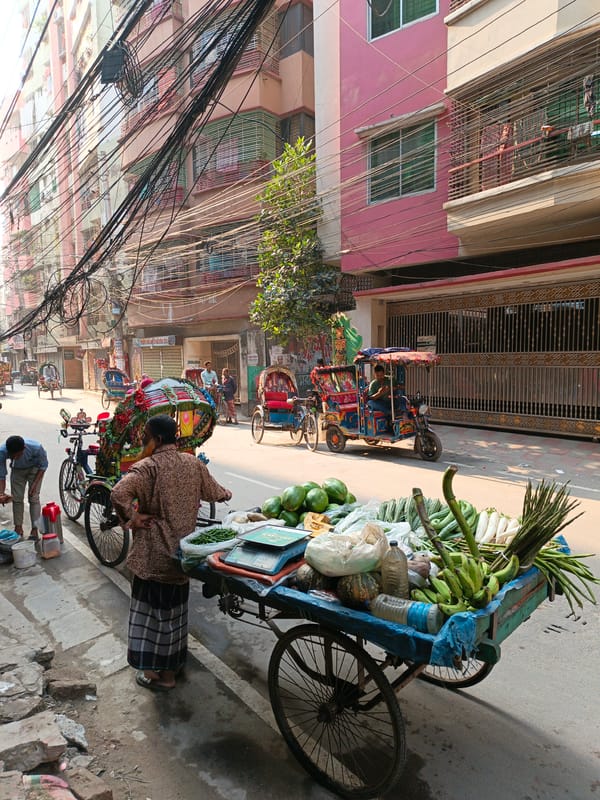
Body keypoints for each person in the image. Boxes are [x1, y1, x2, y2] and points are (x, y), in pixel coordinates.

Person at [110, 414, 232, 693]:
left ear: (158, 439)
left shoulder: (147, 468)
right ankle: (172, 666)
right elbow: (217, 492)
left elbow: (118, 493)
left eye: (146, 439)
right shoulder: (192, 463)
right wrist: (227, 493)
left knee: (152, 618)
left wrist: (132, 518)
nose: (144, 443)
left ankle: (162, 676)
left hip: (153, 557)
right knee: (175, 617)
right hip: (183, 557)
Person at [0, 436, 48, 540]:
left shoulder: (36, 448)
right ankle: (18, 528)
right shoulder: (2, 452)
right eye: (12, 456)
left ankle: (34, 530)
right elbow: (1, 475)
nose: (15, 458)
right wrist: (1, 493)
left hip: (35, 469)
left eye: (18, 455)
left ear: (24, 448)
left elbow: (43, 466)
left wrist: (35, 484)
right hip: (17, 470)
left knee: (34, 498)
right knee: (17, 499)